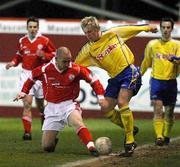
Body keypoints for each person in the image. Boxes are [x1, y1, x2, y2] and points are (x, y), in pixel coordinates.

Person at [75, 16, 157, 156]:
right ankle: (130, 128)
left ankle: (130, 141)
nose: (88, 35)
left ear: (97, 29)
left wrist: (148, 28)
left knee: (122, 102)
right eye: (85, 32)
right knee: (105, 107)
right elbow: (75, 66)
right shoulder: (87, 50)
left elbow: (133, 29)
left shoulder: (113, 33)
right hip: (115, 79)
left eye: (90, 31)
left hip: (129, 72)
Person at [14, 47, 105, 156]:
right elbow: (31, 78)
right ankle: (53, 140)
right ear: (56, 59)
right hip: (51, 108)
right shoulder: (45, 69)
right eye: (65, 61)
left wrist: (101, 97)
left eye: (69, 60)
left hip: (69, 105)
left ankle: (91, 147)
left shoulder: (76, 69)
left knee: (77, 122)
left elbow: (93, 79)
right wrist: (24, 91)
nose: (68, 64)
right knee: (47, 147)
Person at [5, 16, 56, 140]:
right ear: (27, 28)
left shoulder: (45, 40)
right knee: (27, 104)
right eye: (30, 27)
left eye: (34, 27)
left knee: (41, 107)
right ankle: (27, 133)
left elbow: (54, 54)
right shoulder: (22, 40)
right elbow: (18, 55)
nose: (32, 29)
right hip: (26, 74)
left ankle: (45, 129)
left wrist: (44, 55)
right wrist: (12, 63)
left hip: (39, 75)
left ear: (38, 28)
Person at [140, 17, 180, 146]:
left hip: (171, 82)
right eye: (163, 27)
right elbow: (146, 62)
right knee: (158, 109)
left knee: (169, 111)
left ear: (172, 29)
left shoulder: (177, 44)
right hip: (157, 81)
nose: (165, 30)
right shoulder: (152, 44)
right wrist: (139, 74)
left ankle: (166, 135)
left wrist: (173, 58)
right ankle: (159, 137)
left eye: (168, 27)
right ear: (161, 28)